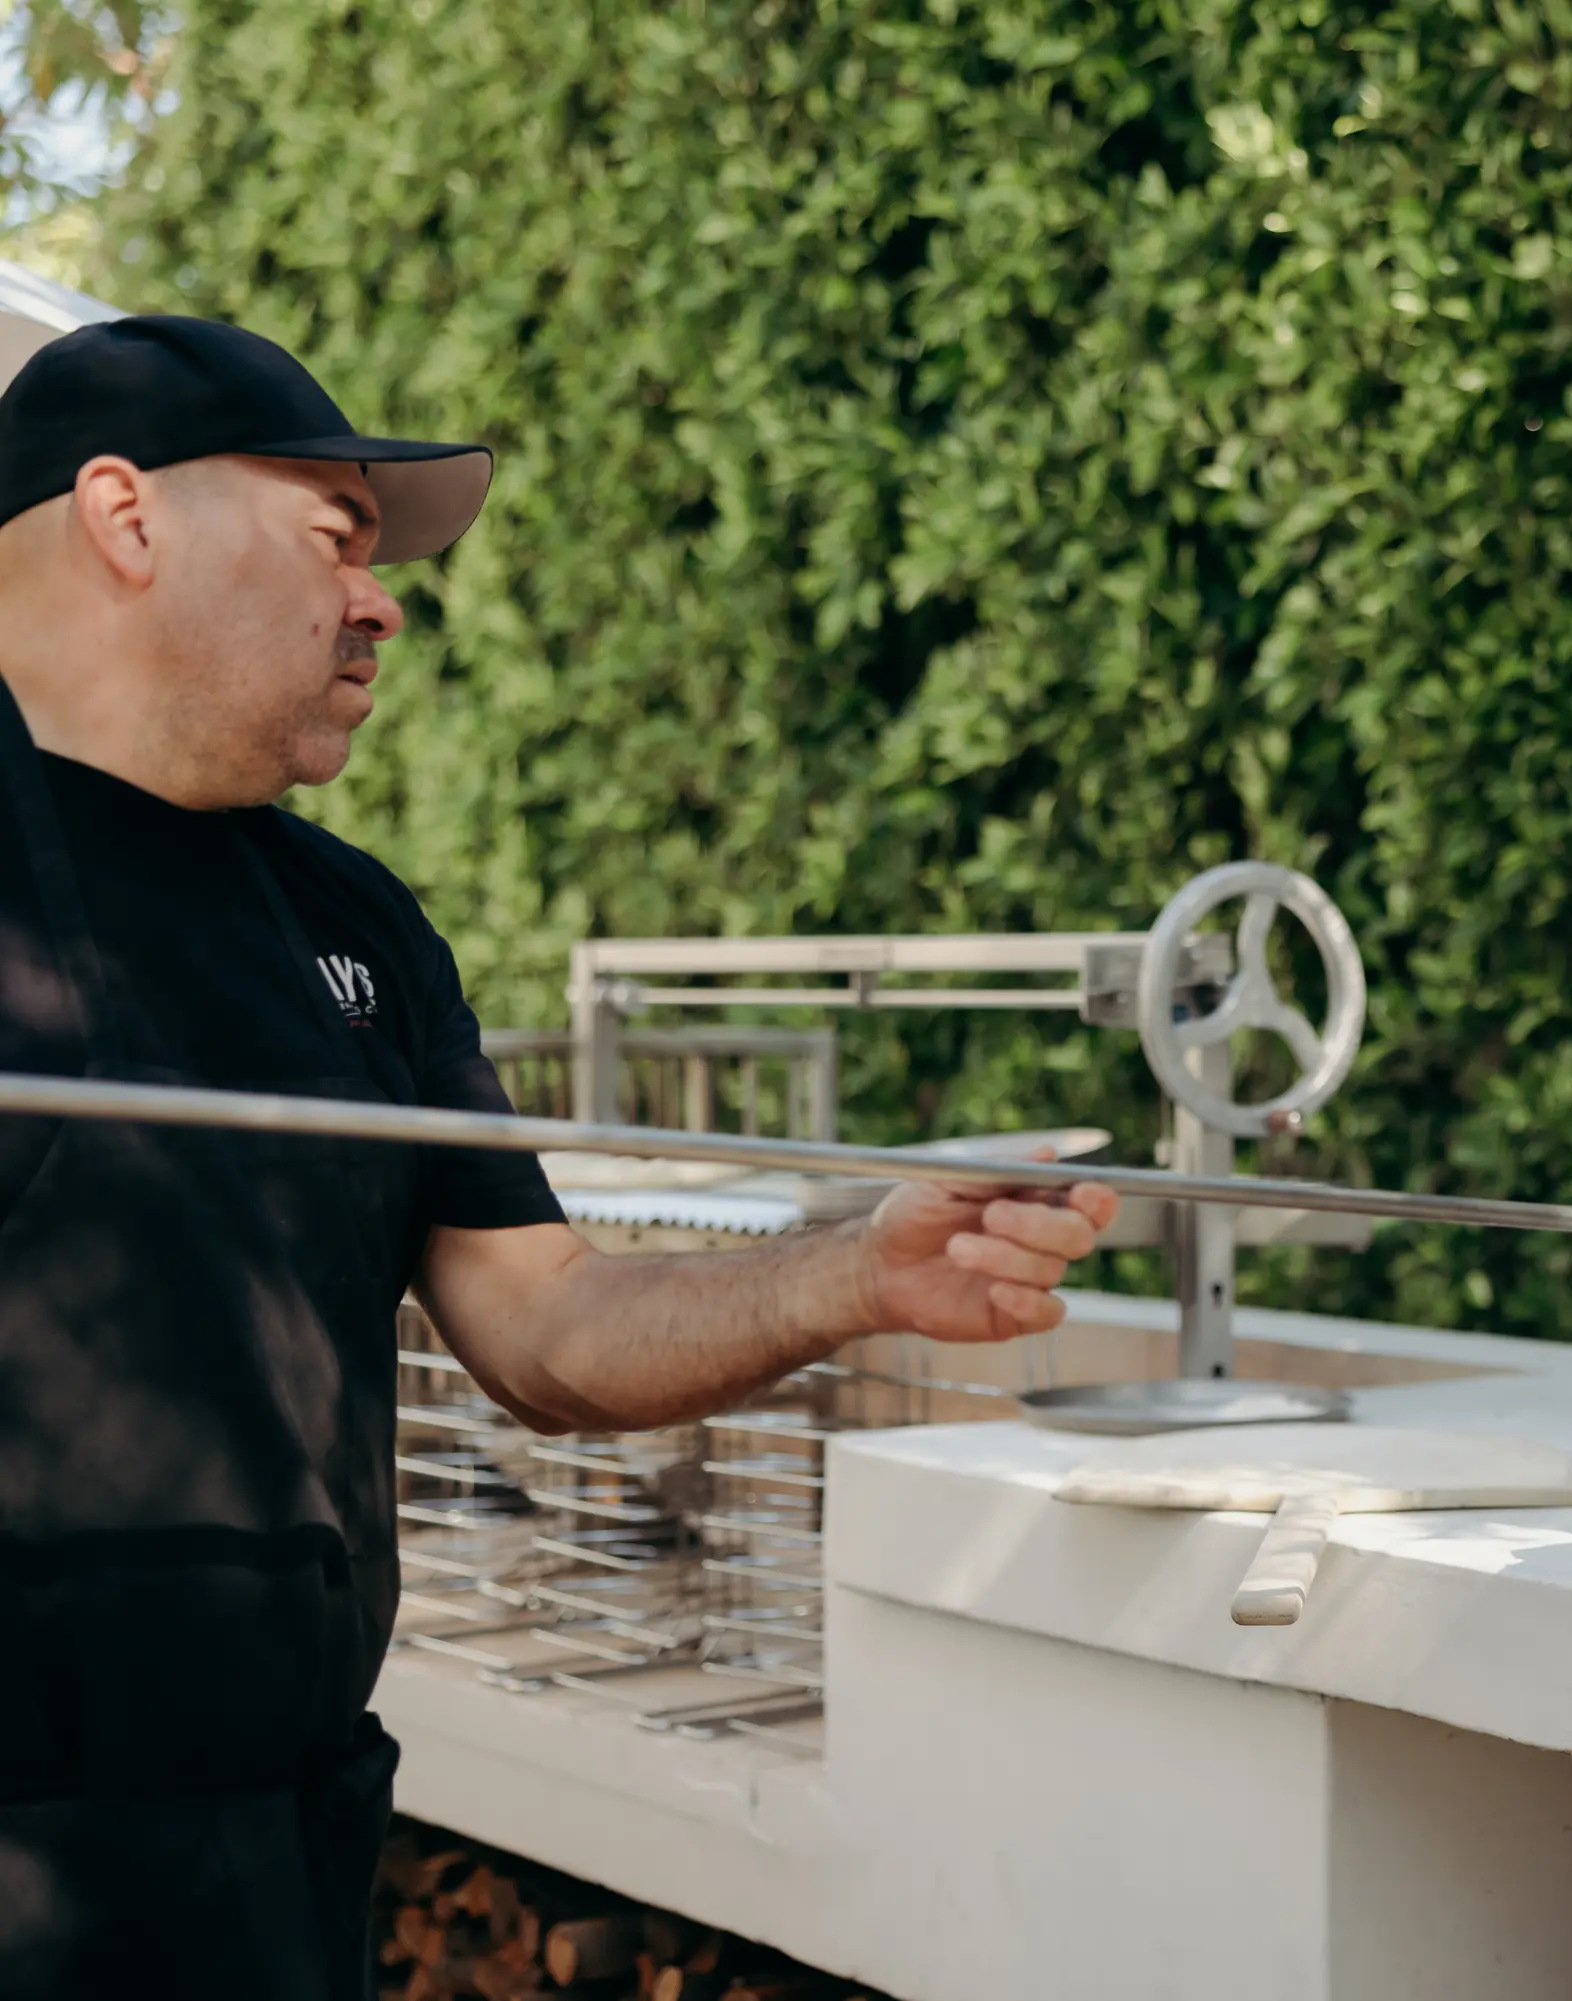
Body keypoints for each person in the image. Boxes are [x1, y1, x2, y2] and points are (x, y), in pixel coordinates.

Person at [0, 316, 1120, 1998]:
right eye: (336, 536)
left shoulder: (354, 921)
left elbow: (548, 1331)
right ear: (126, 514)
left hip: (278, 1850)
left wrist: (855, 1268)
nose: (383, 602)